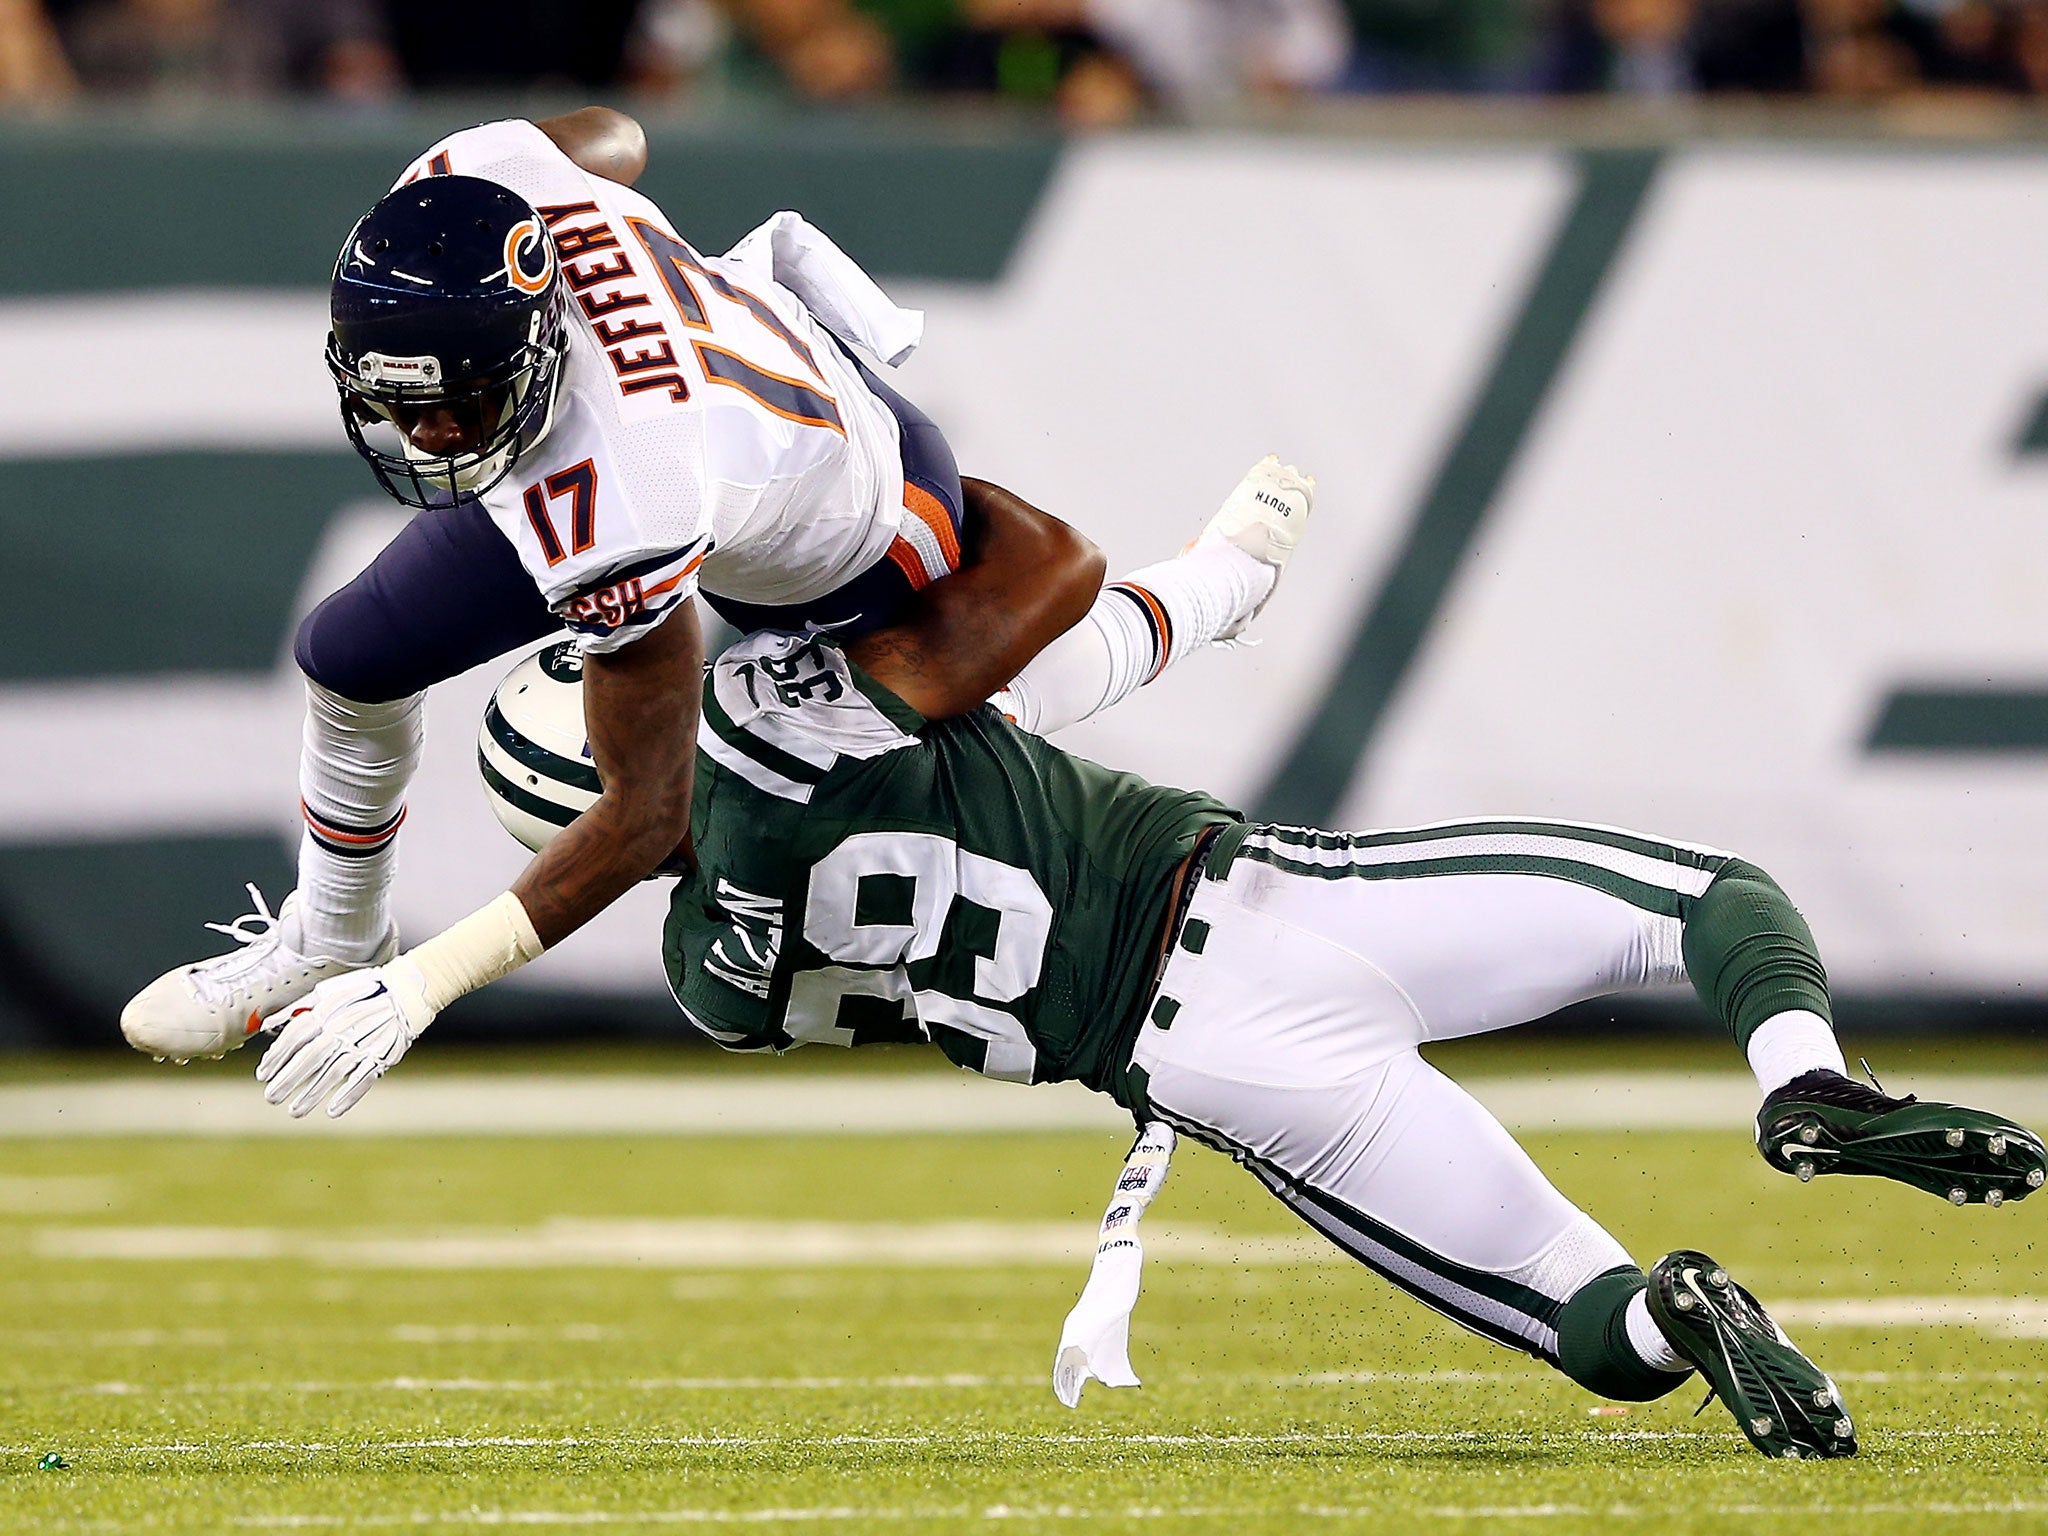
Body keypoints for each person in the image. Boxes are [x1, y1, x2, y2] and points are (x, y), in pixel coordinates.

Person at [262, 465, 2046, 1460]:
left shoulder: (706, 976)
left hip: (1198, 1070)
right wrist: (1230, 564)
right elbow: (1070, 624)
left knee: (1597, 1341)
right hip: (1263, 901)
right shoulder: (816, 698)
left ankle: (1683, 1305)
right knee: (1704, 897)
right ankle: (1798, 1083)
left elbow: (742, 940)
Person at [119, 105, 1156, 1063]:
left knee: (849, 790)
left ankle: (1195, 604)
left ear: (534, 346)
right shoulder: (475, 177)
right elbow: (606, 136)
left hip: (858, 535)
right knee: (350, 659)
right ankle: (331, 934)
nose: (430, 436)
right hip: (716, 420)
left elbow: (646, 812)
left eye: (461, 405)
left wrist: (423, 985)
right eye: (399, 403)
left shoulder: (623, 489)